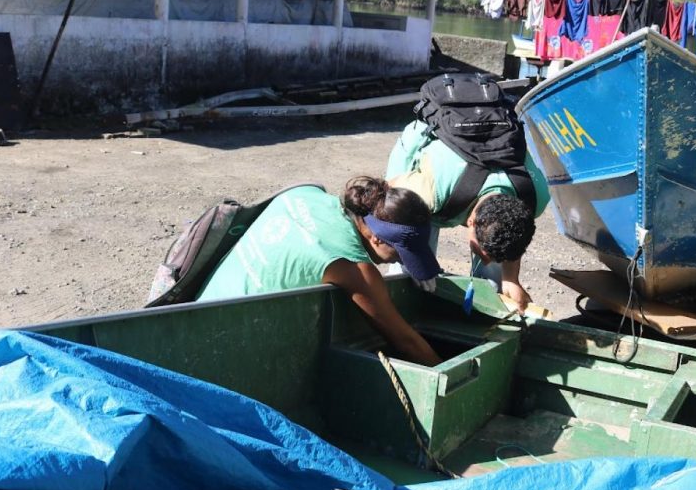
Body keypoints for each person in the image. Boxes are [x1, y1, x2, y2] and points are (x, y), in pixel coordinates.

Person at [197, 177, 443, 366]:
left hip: (198, 305)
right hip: (224, 342)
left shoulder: (306, 193)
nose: (403, 261)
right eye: (402, 254)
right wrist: (450, 373)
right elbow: (405, 341)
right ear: (377, 239)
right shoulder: (355, 268)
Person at [386, 120, 550, 312]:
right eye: (483, 254)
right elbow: (388, 206)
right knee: (412, 269)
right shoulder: (427, 192)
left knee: (495, 268)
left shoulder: (534, 197)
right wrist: (416, 261)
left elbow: (514, 237)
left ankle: (487, 306)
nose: (487, 261)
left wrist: (511, 279)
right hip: (429, 144)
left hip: (483, 153)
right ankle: (401, 307)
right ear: (470, 222)